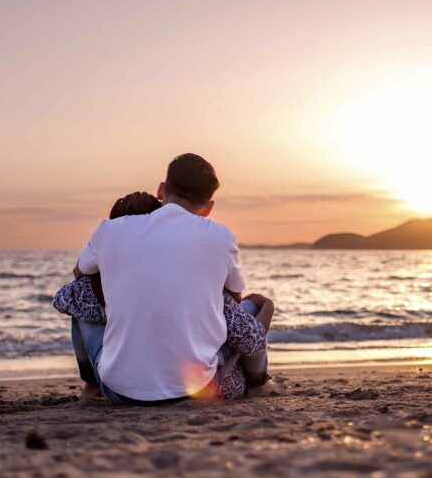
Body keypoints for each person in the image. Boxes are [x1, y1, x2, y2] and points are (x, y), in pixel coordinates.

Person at [65, 154, 278, 404]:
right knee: (251, 307)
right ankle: (259, 380)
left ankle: (92, 386)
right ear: (208, 208)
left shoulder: (108, 230)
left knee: (78, 301)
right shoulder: (220, 237)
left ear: (161, 190)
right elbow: (233, 298)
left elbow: (80, 275)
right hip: (193, 387)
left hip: (117, 392)